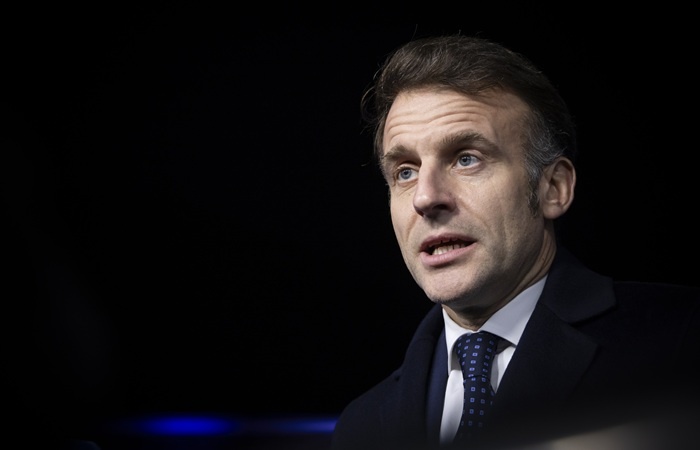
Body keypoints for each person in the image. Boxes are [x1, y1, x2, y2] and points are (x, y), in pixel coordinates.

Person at [330, 34, 700, 450]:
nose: (425, 197)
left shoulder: (682, 344)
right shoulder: (360, 428)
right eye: (405, 171)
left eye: (466, 158)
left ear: (553, 188)